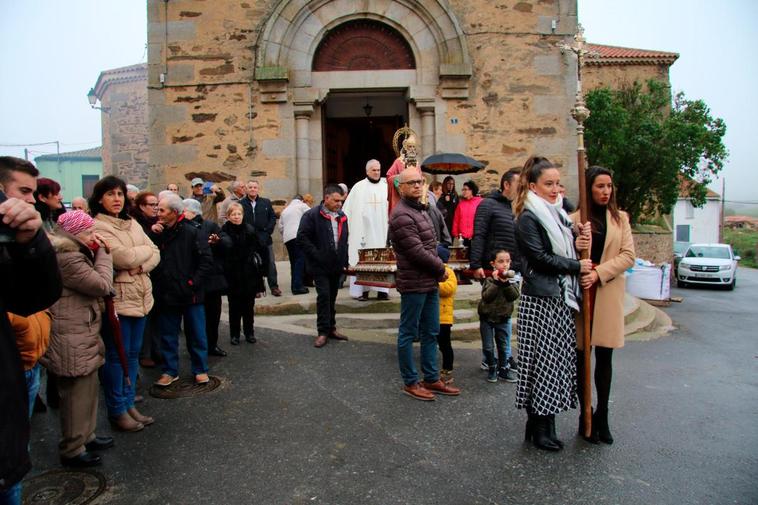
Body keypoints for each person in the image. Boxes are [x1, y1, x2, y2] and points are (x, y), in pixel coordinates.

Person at [512, 156, 591, 452]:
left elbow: (568, 241)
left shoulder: (557, 213)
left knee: (555, 364)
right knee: (543, 365)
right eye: (549, 184)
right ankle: (540, 426)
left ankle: (543, 425)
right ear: (532, 186)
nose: (556, 188)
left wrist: (579, 239)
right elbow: (541, 259)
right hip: (541, 299)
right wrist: (576, 265)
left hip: (559, 298)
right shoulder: (528, 217)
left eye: (558, 183)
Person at [0, 156, 63, 504]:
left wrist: (30, 242)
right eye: (23, 191)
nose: (31, 200)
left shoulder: (20, 240)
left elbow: (34, 296)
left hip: (16, 371)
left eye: (34, 192)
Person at [41, 211, 114, 468]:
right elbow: (102, 285)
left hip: (80, 329)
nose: (94, 237)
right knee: (75, 394)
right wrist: (105, 254)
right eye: (89, 232)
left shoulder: (72, 253)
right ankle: (72, 448)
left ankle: (87, 435)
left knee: (88, 389)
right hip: (71, 333)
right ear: (75, 233)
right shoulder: (69, 258)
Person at [572, 166, 635, 445]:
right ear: (589, 188)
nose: (605, 191)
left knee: (605, 360)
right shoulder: (575, 220)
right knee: (581, 357)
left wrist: (600, 272)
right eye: (599, 186)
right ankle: (585, 414)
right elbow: (564, 254)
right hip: (582, 294)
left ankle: (603, 415)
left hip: (606, 293)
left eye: (609, 186)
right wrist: (576, 245)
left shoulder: (620, 219)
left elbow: (628, 256)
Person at [91, 176, 159, 432]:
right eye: (110, 194)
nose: (117, 199)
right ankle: (117, 409)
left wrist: (139, 264)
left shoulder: (131, 223)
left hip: (140, 297)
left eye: (119, 194)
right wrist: (140, 257)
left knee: (132, 355)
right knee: (116, 357)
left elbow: (155, 251)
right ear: (100, 198)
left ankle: (129, 403)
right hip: (118, 300)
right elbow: (123, 257)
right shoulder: (99, 225)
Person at [389, 168, 461, 401]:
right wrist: (441, 269)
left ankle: (431, 377)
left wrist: (437, 267)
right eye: (412, 183)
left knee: (432, 331)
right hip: (414, 283)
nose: (418, 186)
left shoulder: (421, 210)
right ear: (401, 187)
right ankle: (410, 381)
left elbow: (432, 243)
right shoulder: (401, 215)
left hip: (429, 280)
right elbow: (417, 252)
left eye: (420, 182)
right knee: (409, 333)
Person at [150, 194, 213, 386]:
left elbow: (205, 261)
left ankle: (200, 369)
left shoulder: (193, 232)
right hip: (167, 293)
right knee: (168, 335)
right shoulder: (157, 232)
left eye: (162, 210)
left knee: (196, 334)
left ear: (174, 212)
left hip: (191, 293)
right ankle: (170, 370)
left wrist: (192, 283)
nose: (157, 213)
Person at [470, 168, 521, 371]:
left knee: (506, 312)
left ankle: (505, 356)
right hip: (491, 268)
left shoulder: (515, 207)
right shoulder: (488, 205)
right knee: (491, 311)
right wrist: (475, 265)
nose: (521, 189)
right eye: (518, 184)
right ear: (506, 185)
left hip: (511, 268)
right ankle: (489, 357)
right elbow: (479, 234)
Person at [297, 184, 349, 348]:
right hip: (319, 266)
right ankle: (322, 331)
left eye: (341, 201)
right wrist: (317, 255)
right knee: (324, 296)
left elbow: (344, 240)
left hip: (336, 265)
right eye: (336, 200)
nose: (339, 204)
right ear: (326, 198)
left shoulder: (342, 216)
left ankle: (331, 328)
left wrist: (345, 260)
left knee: (332, 297)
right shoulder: (311, 215)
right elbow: (302, 238)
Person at [183, 199, 230, 357]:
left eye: (184, 211)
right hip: (193, 279)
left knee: (213, 316)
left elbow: (227, 243)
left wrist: (218, 241)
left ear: (193, 212)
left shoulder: (210, 226)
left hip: (212, 279)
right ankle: (194, 348)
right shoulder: (182, 227)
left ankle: (212, 345)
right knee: (193, 318)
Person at [342, 159, 390, 301]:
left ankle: (382, 291)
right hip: (363, 233)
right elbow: (347, 211)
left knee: (382, 260)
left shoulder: (386, 186)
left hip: (381, 231)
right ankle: (361, 291)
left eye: (378, 170)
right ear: (367, 171)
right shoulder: (359, 187)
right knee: (362, 260)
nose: (377, 173)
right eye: (374, 170)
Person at [222, 202, 267, 345]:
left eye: (239, 214)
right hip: (232, 273)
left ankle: (249, 332)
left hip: (249, 274)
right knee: (234, 306)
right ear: (228, 216)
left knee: (248, 306)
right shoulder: (223, 230)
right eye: (233, 214)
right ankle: (234, 334)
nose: (236, 217)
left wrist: (261, 273)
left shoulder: (249, 230)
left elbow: (260, 250)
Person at [478, 249, 520, 383]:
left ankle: (504, 369)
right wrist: (497, 283)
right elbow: (486, 297)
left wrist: (506, 283)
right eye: (501, 261)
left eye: (508, 261)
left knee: (503, 345)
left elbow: (514, 296)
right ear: (493, 264)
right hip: (487, 318)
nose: (505, 264)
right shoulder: (489, 279)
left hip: (503, 317)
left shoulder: (512, 280)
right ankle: (491, 366)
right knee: (488, 346)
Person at [241, 180, 281, 296]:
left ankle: (274, 287)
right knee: (253, 264)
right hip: (249, 239)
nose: (253, 189)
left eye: (255, 187)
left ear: (258, 189)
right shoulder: (241, 203)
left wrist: (267, 232)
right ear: (246, 189)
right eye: (250, 187)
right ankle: (257, 288)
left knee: (270, 264)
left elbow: (272, 218)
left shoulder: (266, 202)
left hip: (265, 239)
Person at [278, 194, 311, 295]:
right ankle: (298, 287)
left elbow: (280, 227)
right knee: (300, 261)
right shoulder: (302, 206)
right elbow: (311, 217)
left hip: (288, 238)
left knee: (294, 262)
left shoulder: (285, 210)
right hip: (299, 236)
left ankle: (295, 285)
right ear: (301, 200)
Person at [436, 246, 457, 384]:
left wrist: (435, 285)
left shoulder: (448, 271)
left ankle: (447, 368)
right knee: (435, 342)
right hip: (434, 316)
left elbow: (449, 288)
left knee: (445, 344)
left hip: (444, 317)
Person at [451, 180, 482, 248]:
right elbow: (456, 219)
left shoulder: (480, 202)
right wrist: (455, 233)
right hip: (462, 238)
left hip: (475, 237)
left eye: (465, 189)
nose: (463, 191)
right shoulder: (460, 204)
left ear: (472, 190)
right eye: (463, 189)